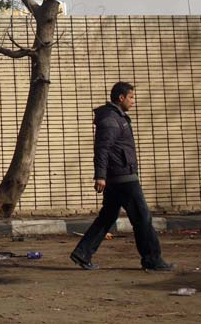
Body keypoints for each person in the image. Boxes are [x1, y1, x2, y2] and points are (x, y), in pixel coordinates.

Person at [70, 82, 174, 271]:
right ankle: (152, 260)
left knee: (107, 217)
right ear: (121, 98)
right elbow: (102, 149)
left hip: (119, 176)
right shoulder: (111, 119)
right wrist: (100, 175)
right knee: (142, 218)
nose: (133, 101)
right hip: (123, 177)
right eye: (131, 97)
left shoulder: (118, 118)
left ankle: (82, 253)